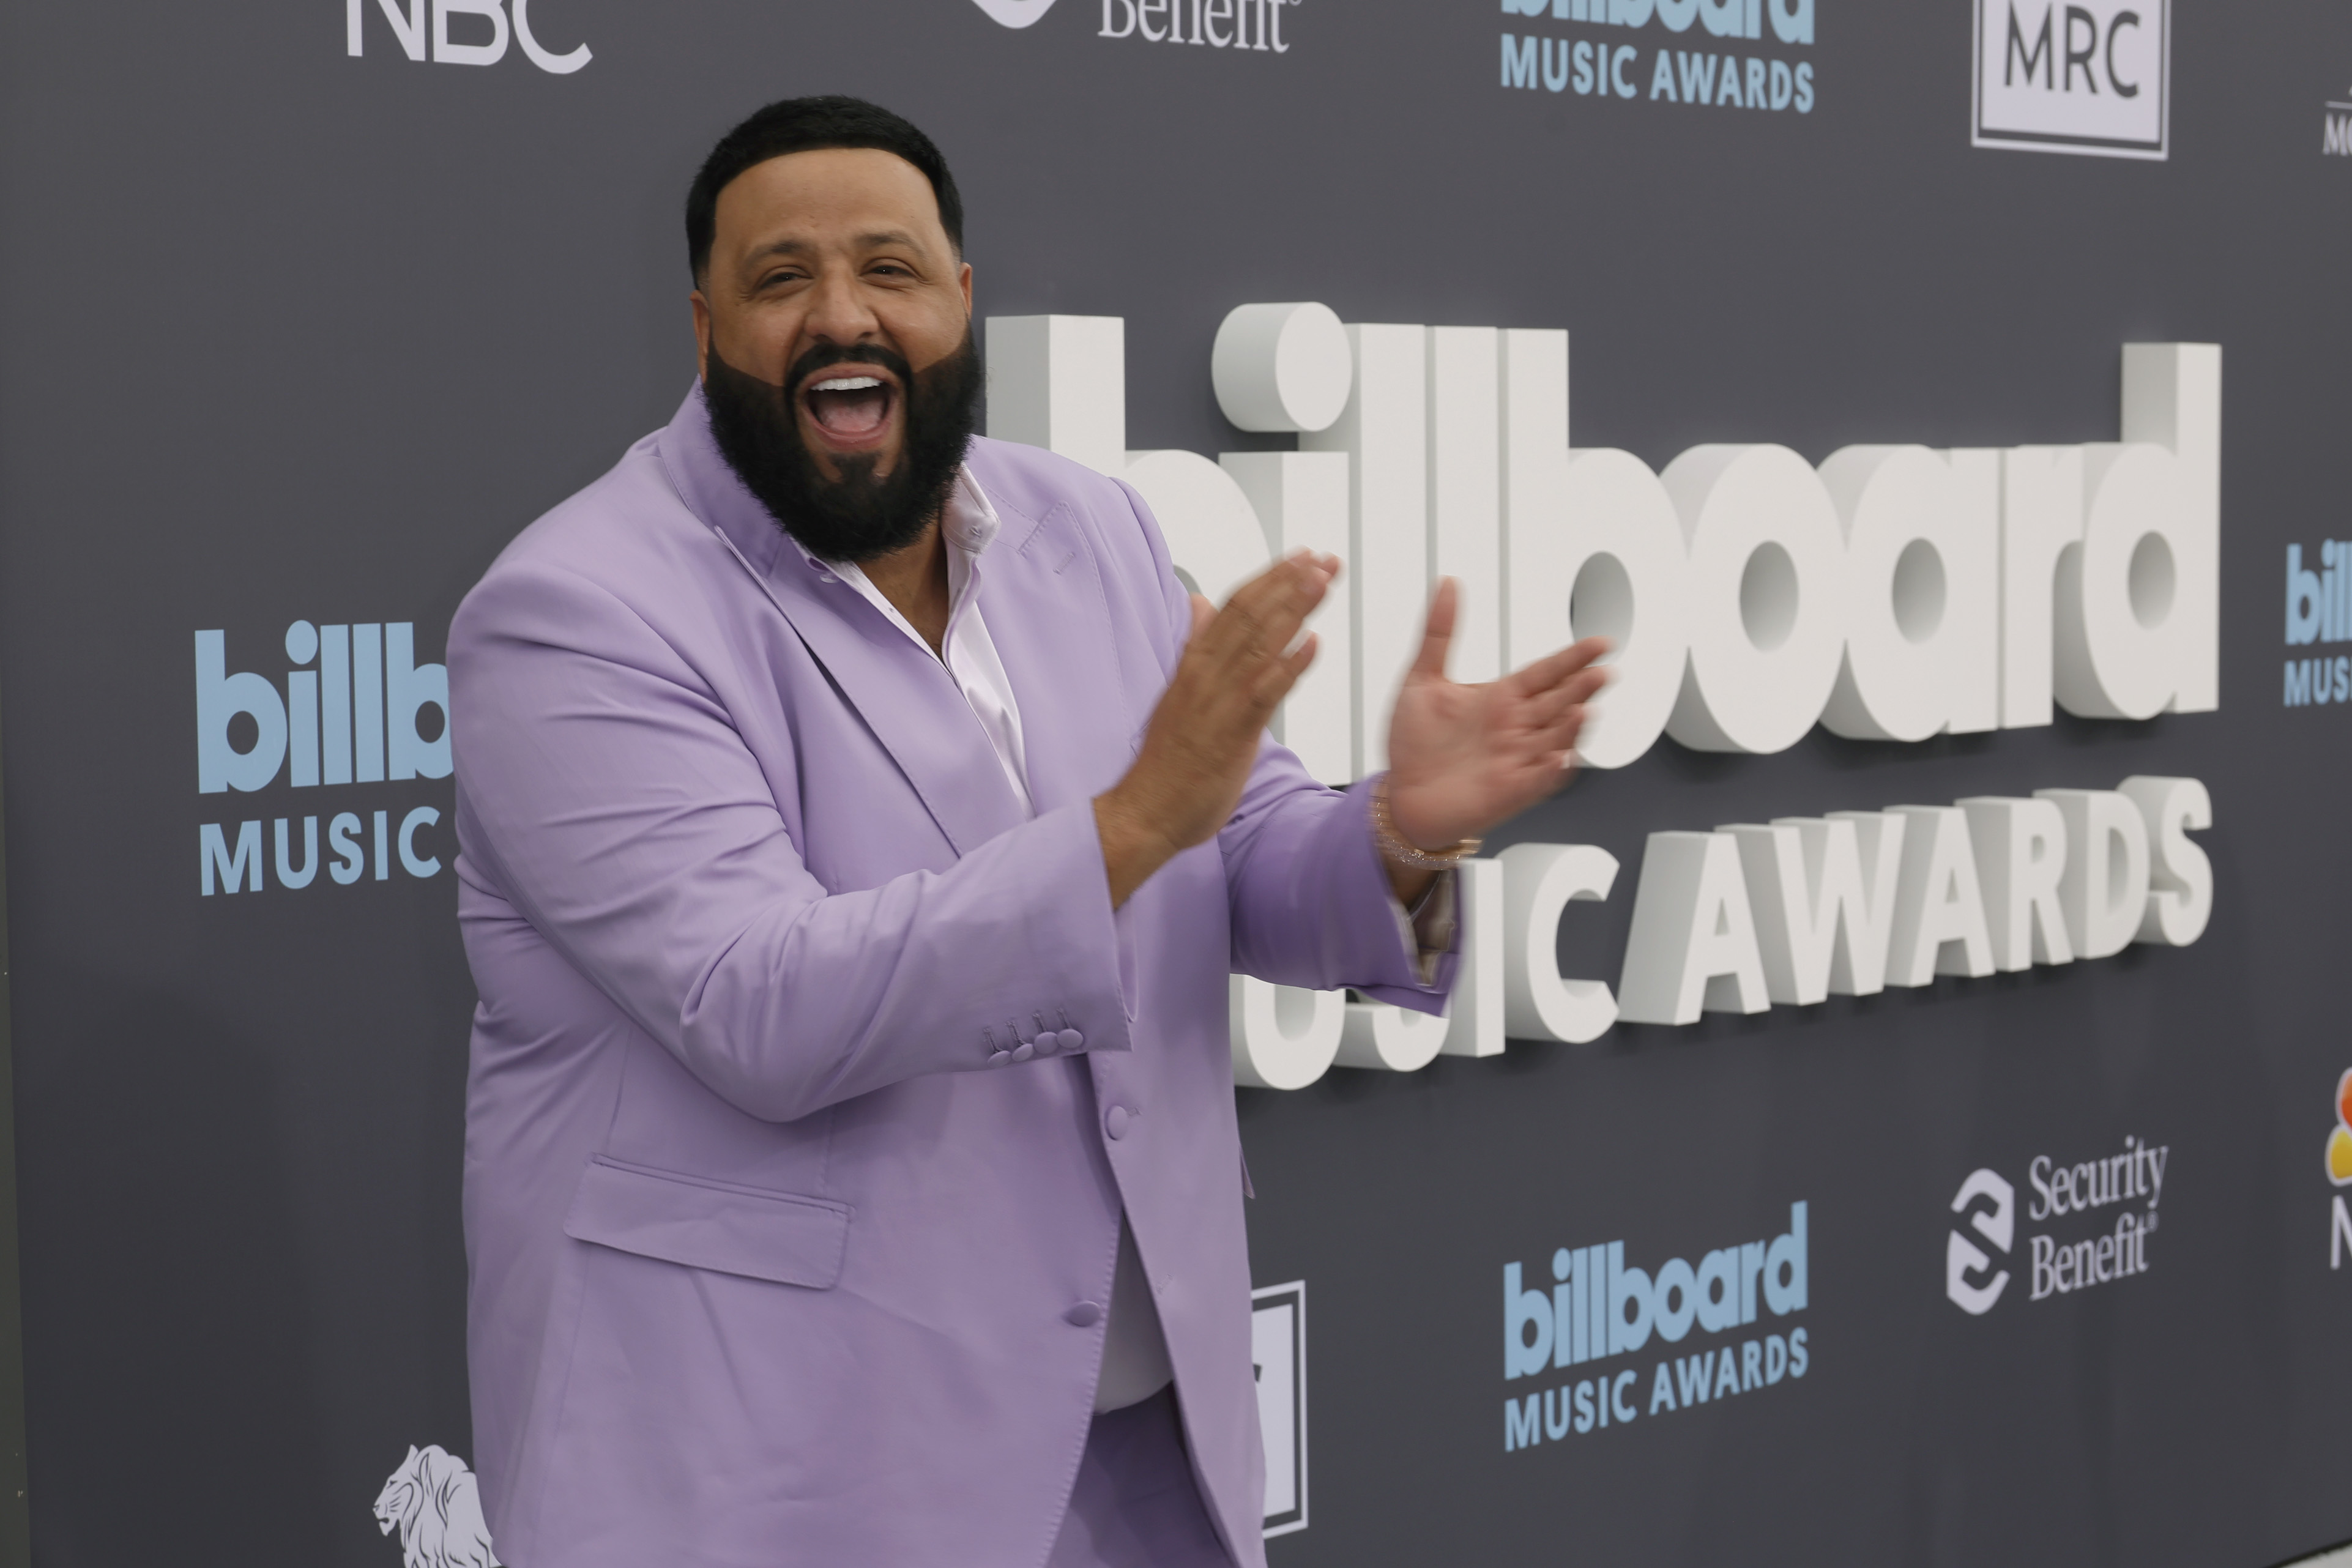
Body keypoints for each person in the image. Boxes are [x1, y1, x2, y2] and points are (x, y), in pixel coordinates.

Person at [448, 94, 1607, 1568]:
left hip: (1140, 1444)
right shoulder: (577, 613)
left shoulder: (1093, 530)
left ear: (959, 301)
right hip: (795, 1476)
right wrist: (1128, 827)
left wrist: (1396, 834)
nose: (842, 314)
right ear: (703, 328)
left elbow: (1236, 851)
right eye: (781, 278)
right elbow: (761, 1003)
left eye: (889, 267)